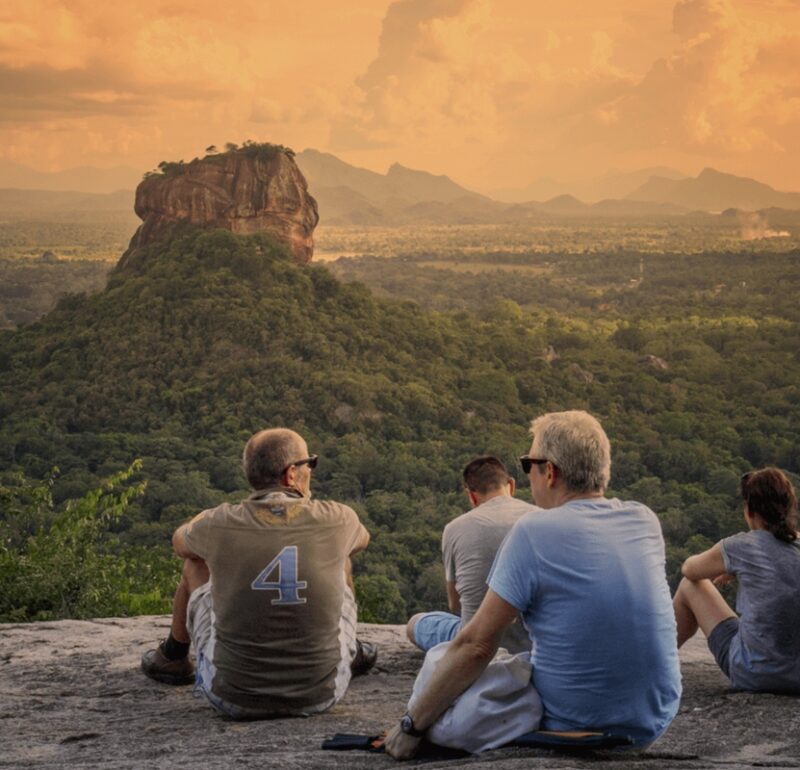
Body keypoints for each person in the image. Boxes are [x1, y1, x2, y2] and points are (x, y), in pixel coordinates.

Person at [385, 410, 681, 759]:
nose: (527, 476)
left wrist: (411, 726)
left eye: (528, 464)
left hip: (575, 726)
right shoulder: (644, 519)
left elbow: (477, 645)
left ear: (550, 472)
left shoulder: (534, 532)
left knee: (440, 659)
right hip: (653, 722)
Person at [141, 428, 376, 718]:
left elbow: (180, 543)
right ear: (291, 474)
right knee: (342, 560)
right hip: (323, 693)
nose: (311, 470)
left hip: (230, 696)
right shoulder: (338, 518)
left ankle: (173, 657)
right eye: (310, 463)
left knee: (194, 565)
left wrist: (204, 519)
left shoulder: (219, 523)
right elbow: (362, 540)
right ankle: (348, 650)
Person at [673, 467, 800, 692]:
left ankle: (656, 665)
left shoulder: (741, 546)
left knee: (690, 586)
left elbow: (689, 569)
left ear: (749, 510)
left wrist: (728, 565)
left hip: (754, 673)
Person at [406, 456, 537, 655]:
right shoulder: (540, 518)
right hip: (532, 643)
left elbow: (455, 604)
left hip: (474, 645)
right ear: (511, 485)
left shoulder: (454, 528)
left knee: (416, 624)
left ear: (471, 495)